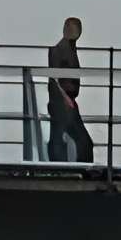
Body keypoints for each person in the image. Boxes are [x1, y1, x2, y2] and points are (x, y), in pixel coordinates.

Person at [44, 16, 94, 163]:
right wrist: (65, 97)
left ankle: (73, 167)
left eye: (77, 29)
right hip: (61, 102)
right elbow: (54, 78)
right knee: (68, 140)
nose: (76, 32)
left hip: (68, 101)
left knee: (69, 139)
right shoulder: (58, 50)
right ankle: (64, 168)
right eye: (72, 28)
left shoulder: (71, 49)